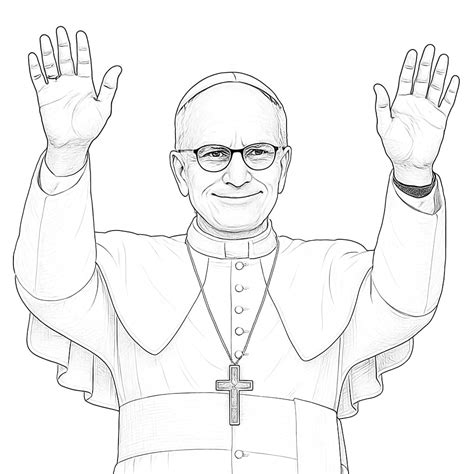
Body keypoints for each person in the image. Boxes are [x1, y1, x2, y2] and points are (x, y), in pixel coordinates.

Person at [14, 26, 458, 474]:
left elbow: (407, 304)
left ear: (284, 166)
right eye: (214, 154)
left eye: (258, 152)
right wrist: (65, 156)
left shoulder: (331, 273)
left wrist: (413, 176)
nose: (238, 175)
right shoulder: (127, 267)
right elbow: (50, 288)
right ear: (180, 170)